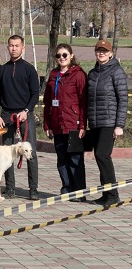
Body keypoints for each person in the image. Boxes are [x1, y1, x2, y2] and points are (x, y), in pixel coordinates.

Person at [0, 35, 41, 199]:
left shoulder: (29, 69)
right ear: (8, 47)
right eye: (11, 45)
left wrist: (26, 110)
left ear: (23, 48)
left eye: (17, 46)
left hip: (25, 115)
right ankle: (10, 188)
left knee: (30, 153)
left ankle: (33, 189)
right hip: (7, 117)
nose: (14, 48)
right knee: (7, 154)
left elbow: (35, 93)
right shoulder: (2, 70)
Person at [42, 43, 87, 198]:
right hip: (57, 123)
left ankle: (79, 191)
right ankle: (66, 188)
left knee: (75, 159)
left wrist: (82, 124)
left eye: (65, 55)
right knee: (62, 158)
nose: (61, 58)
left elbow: (83, 101)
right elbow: (48, 101)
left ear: (71, 56)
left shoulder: (78, 74)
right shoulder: (54, 74)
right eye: (58, 55)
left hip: (73, 123)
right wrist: (46, 123)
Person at [85, 39, 127, 206]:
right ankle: (106, 193)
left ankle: (113, 194)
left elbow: (123, 99)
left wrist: (119, 125)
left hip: (109, 121)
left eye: (104, 51)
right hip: (95, 121)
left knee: (102, 154)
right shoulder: (93, 73)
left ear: (111, 53)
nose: (101, 53)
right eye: (98, 50)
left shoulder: (116, 72)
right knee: (99, 155)